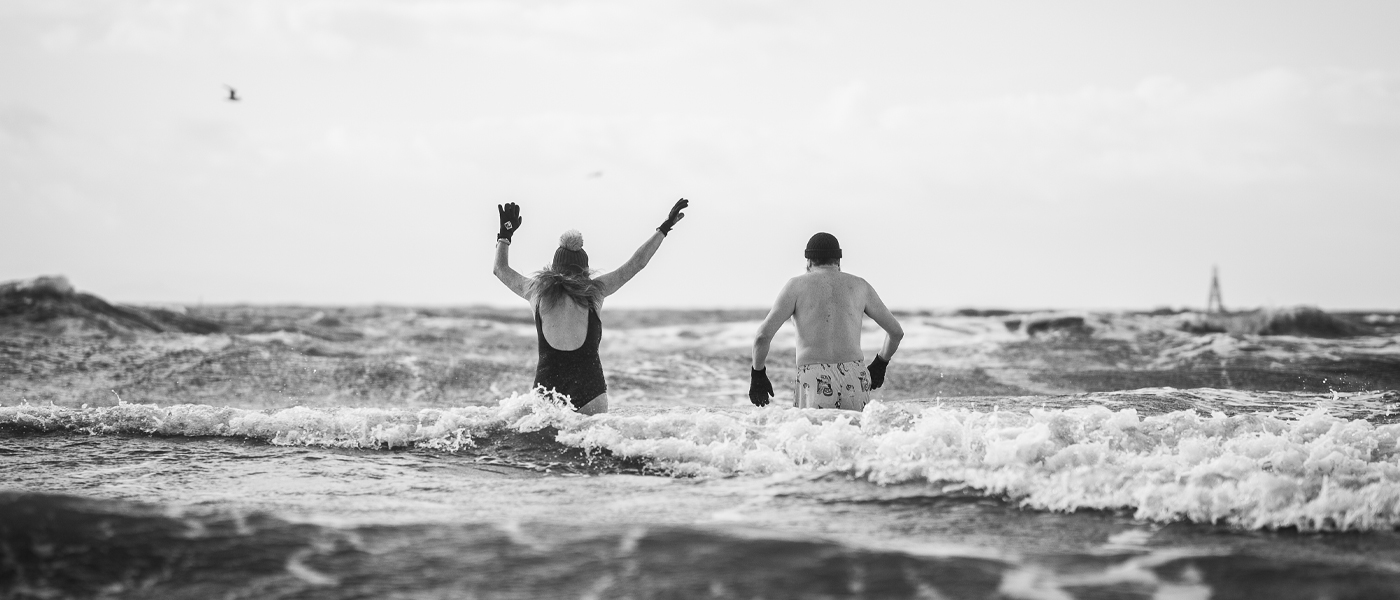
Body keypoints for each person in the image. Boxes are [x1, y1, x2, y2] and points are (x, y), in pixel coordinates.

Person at [492, 199, 689, 414]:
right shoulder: (595, 291)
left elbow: (500, 269)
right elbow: (636, 264)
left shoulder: (536, 291)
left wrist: (505, 235)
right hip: (590, 390)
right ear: (584, 269)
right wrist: (664, 228)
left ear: (554, 267)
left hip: (548, 390)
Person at [748, 232, 903, 411]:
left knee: (816, 437)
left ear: (808, 262)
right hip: (854, 376)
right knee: (853, 436)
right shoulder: (860, 286)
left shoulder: (795, 286)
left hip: (814, 378)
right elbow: (896, 332)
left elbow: (762, 336)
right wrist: (881, 363)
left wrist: (757, 373)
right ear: (838, 261)